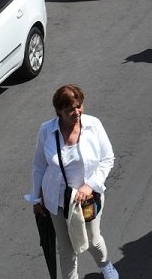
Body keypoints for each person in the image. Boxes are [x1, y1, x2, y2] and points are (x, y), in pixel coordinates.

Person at [27, 84, 119, 279]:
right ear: (59, 111)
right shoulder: (46, 131)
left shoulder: (93, 125)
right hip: (57, 202)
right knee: (66, 249)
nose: (77, 112)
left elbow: (107, 158)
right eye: (70, 109)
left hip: (87, 200)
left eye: (79, 106)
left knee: (92, 240)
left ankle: (105, 265)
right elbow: (39, 166)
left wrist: (89, 185)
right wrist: (36, 199)